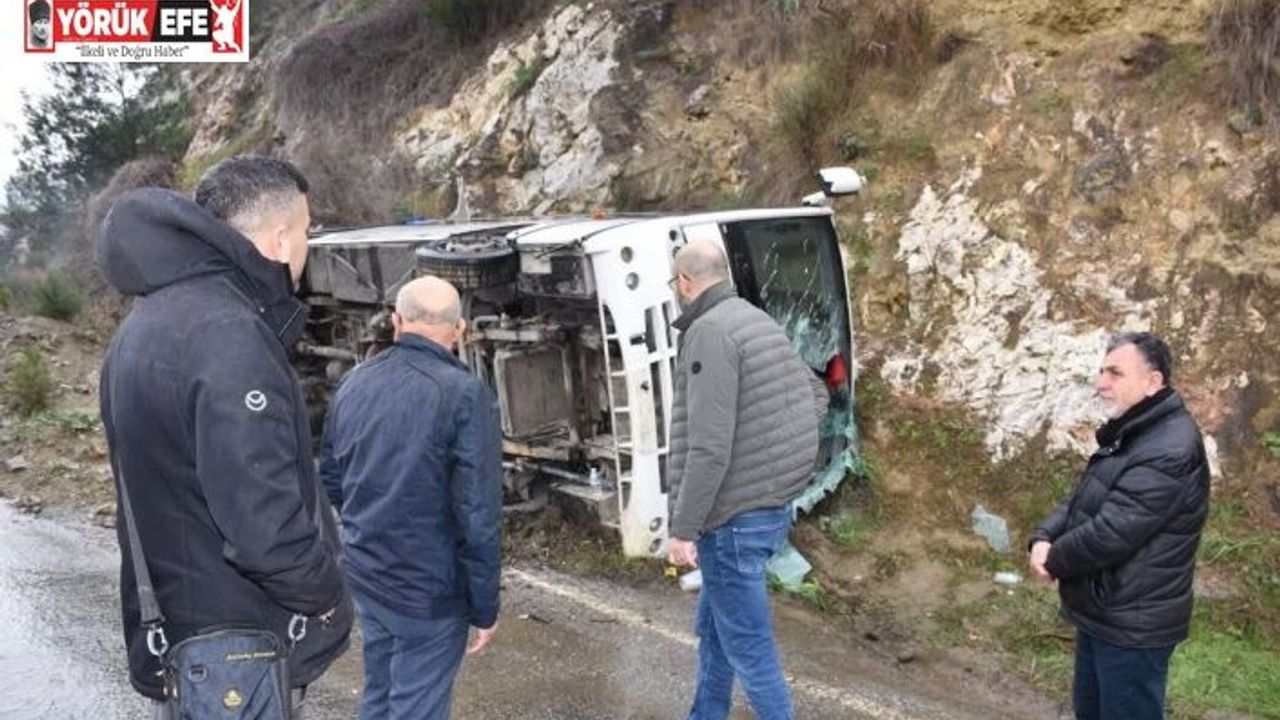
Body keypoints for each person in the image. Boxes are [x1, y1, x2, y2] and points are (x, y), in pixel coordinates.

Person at [98, 156, 353, 718]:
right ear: (281, 238)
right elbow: (263, 527)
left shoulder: (141, 327)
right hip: (240, 649)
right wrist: (327, 596)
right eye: (306, 231)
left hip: (185, 637)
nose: (306, 247)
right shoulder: (228, 334)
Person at [321, 276, 502, 720]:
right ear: (459, 329)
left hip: (367, 573)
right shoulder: (463, 394)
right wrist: (485, 607)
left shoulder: (354, 382)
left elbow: (331, 476)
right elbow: (476, 513)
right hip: (428, 591)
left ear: (397, 321)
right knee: (415, 707)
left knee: (380, 695)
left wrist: (367, 528)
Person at [665, 239, 821, 720]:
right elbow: (815, 396)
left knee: (750, 649)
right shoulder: (755, 318)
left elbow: (709, 447)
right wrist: (773, 462)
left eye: (674, 282)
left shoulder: (709, 333)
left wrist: (683, 528)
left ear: (685, 282)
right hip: (768, 510)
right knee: (716, 631)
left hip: (732, 522)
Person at [1029, 332, 1210, 720]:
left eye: (1115, 373)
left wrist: (1054, 559)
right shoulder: (1135, 431)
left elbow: (1112, 532)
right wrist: (1043, 536)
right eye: (1102, 372)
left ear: (1152, 381)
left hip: (1134, 622)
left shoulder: (1170, 447)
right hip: (1106, 610)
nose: (1101, 383)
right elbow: (1085, 499)